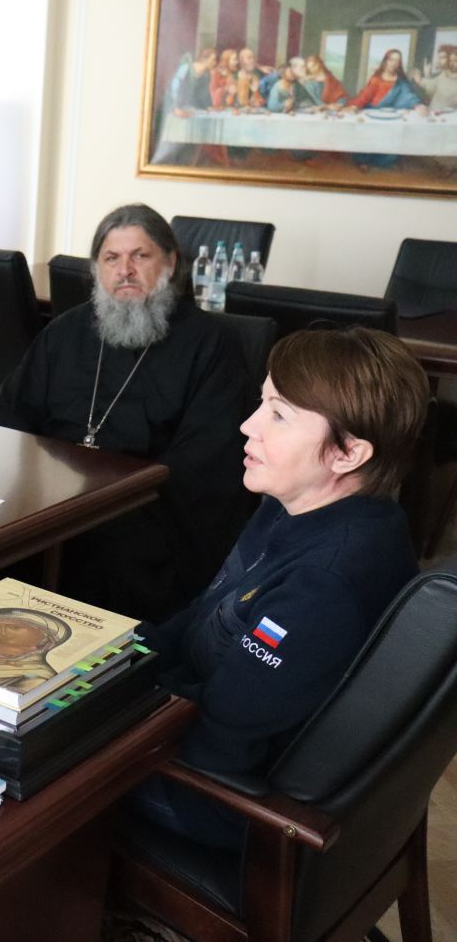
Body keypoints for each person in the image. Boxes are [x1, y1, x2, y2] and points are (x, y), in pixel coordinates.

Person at [130, 328, 429, 848]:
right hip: (191, 729)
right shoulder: (295, 505)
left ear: (347, 453)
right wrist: (114, 660)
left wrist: (99, 721)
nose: (248, 425)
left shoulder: (324, 586)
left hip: (215, 798)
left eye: (279, 415)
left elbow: (221, 741)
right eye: (261, 403)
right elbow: (204, 614)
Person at [0, 204, 251, 622]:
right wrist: (35, 487)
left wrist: (116, 497)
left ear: (170, 263)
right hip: (51, 506)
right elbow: (10, 413)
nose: (125, 270)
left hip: (150, 513)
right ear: (97, 269)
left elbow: (208, 458)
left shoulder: (211, 344)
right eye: (111, 258)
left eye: (140, 256)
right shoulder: (65, 332)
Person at [414, 44, 457, 112]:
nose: (440, 61)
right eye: (439, 58)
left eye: (443, 57)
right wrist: (422, 79)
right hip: (434, 112)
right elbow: (432, 88)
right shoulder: (443, 74)